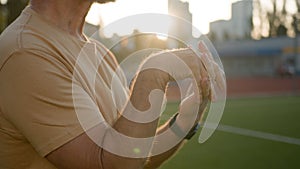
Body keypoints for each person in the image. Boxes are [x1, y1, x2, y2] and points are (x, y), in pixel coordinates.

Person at [0, 0, 224, 168]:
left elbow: (133, 153)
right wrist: (153, 74)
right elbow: (108, 164)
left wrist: (186, 119)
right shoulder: (26, 51)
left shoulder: (99, 53)